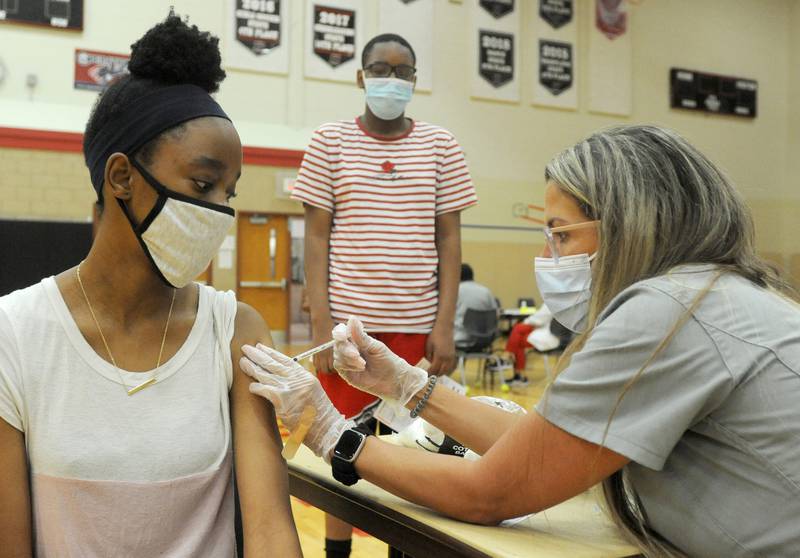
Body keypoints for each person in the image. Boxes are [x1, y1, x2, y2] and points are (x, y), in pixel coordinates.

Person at [241, 125, 800, 557]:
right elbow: (540, 447)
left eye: (562, 235)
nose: (551, 256)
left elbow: (494, 491)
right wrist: (405, 385)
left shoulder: (668, 310)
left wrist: (332, 433)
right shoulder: (717, 293)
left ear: (633, 225)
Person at [0, 15, 302, 557]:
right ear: (121, 177)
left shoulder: (235, 330)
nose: (219, 212)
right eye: (204, 184)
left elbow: (269, 532)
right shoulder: (14, 335)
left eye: (228, 194)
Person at [291, 32, 477, 556]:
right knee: (341, 444)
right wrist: (322, 326)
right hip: (350, 332)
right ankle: (336, 552)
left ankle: (403, 548)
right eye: (380, 68)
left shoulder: (441, 145)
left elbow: (449, 238)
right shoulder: (329, 141)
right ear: (360, 76)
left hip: (417, 328)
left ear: (415, 82)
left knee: (411, 447)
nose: (391, 79)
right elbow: (318, 237)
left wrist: (444, 325)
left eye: (402, 71)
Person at [454, 263, 498, 346]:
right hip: (486, 337)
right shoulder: (486, 291)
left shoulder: (454, 291)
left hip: (460, 336)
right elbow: (495, 313)